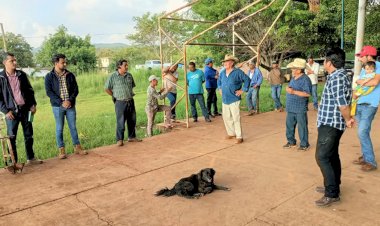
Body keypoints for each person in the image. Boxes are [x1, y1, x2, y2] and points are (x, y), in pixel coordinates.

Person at [315, 47, 354, 207]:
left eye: (324, 60)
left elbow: (342, 105)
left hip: (331, 123)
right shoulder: (341, 75)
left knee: (322, 157)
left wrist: (348, 119)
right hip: (331, 122)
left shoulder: (337, 77)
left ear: (329, 62)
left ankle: (331, 193)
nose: (323, 63)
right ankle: (333, 185)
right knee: (331, 155)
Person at [0, 51, 42, 165]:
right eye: (11, 61)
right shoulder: (1, 77)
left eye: (15, 60)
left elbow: (29, 91)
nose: (15, 62)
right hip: (11, 113)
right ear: (5, 63)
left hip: (26, 110)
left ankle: (31, 158)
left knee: (29, 135)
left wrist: (33, 104)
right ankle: (13, 162)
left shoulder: (21, 75)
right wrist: (5, 111)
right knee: (11, 138)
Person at [45, 54, 87, 159]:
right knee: (59, 128)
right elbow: (49, 92)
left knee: (73, 127)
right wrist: (61, 102)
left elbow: (75, 89)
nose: (65, 64)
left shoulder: (70, 75)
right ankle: (61, 150)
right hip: (57, 106)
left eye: (65, 62)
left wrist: (70, 100)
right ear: (56, 63)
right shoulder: (49, 76)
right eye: (62, 62)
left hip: (70, 105)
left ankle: (77, 147)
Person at [352, 45, 380, 171]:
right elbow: (358, 83)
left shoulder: (378, 66)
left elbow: (375, 82)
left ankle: (371, 162)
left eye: (361, 56)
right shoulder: (364, 69)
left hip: (370, 105)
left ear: (369, 56)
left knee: (362, 131)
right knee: (363, 132)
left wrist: (361, 82)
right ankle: (365, 156)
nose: (360, 59)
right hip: (359, 102)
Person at [105, 59, 142, 147]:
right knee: (120, 121)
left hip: (130, 101)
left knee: (132, 119)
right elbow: (107, 88)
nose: (127, 67)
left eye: (127, 65)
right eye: (125, 65)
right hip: (120, 102)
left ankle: (132, 137)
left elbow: (132, 86)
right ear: (119, 66)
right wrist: (114, 96)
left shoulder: (129, 75)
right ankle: (120, 139)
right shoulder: (113, 76)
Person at [217, 54, 250, 144]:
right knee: (226, 117)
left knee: (236, 117)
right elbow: (219, 81)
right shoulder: (223, 72)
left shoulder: (238, 72)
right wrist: (219, 88)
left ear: (232, 63)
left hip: (234, 98)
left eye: (227, 62)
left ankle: (239, 136)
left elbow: (247, 80)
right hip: (225, 98)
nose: (225, 63)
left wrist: (243, 90)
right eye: (224, 62)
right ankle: (231, 133)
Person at [283, 58, 312, 151]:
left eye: (294, 68)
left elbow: (307, 93)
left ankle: (304, 144)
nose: (292, 70)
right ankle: (291, 141)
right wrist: (290, 89)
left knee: (302, 127)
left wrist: (293, 92)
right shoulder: (294, 77)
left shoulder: (305, 79)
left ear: (299, 70)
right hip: (291, 106)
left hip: (300, 107)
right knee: (289, 126)